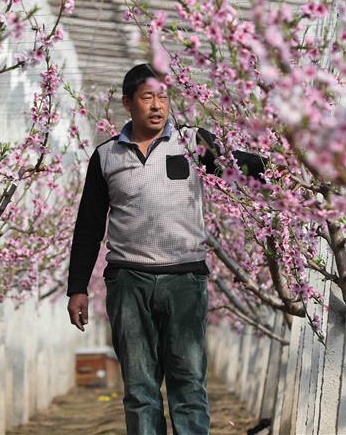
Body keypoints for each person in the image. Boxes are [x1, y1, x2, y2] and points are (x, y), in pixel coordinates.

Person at [66, 63, 265, 435]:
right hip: (129, 281)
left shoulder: (191, 142)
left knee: (188, 382)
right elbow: (89, 226)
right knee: (140, 388)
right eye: (147, 98)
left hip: (184, 279)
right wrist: (77, 287)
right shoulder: (106, 156)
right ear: (128, 103)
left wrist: (278, 168)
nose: (157, 106)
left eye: (163, 97)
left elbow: (232, 164)